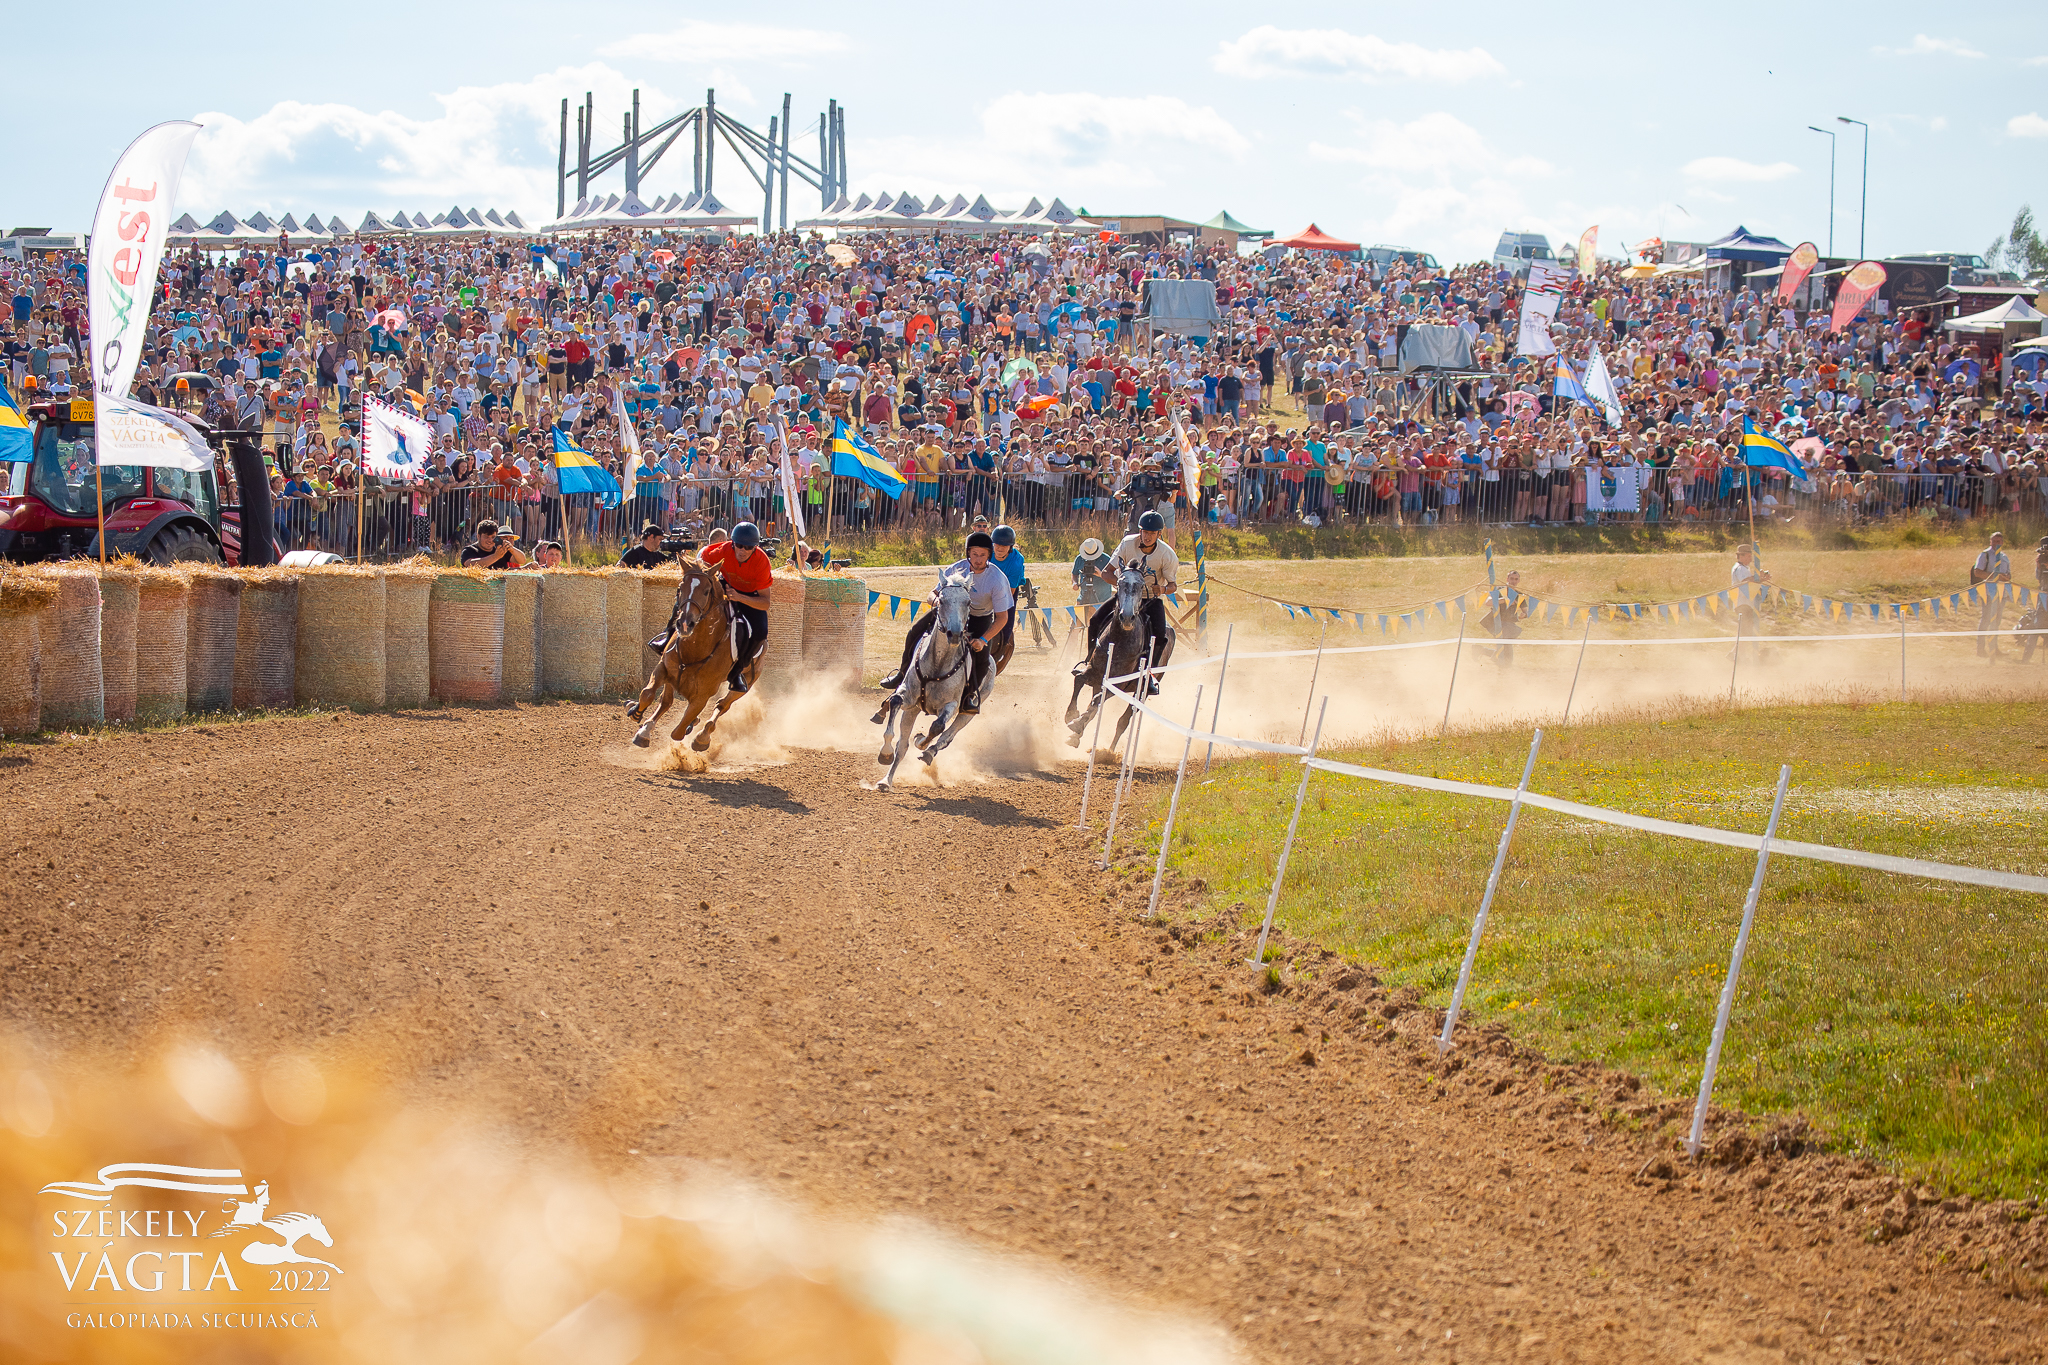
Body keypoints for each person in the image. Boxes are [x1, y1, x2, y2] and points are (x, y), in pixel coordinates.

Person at [876, 530, 1014, 715]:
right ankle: (901, 675)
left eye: (982, 555)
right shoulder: (956, 568)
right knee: (913, 632)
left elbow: (1003, 618)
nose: (978, 559)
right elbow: (931, 594)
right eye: (974, 554)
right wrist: (937, 601)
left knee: (982, 659)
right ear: (968, 553)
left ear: (989, 555)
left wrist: (983, 639)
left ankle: (969, 697)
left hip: (979, 617)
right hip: (949, 610)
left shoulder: (997, 579)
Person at [1084, 510, 1178, 693]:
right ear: (1140, 531)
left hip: (1149, 600)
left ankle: (1149, 676)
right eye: (1145, 532)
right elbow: (1106, 572)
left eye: (1152, 533)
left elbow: (1173, 585)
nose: (1148, 536)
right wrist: (1123, 585)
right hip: (1125, 596)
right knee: (1095, 620)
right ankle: (1089, 662)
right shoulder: (1127, 544)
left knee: (1161, 635)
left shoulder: (1168, 555)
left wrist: (1164, 589)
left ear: (1159, 534)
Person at [699, 521, 774, 695]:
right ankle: (668, 635)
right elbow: (702, 555)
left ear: (755, 547)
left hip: (750, 596)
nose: (742, 550)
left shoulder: (762, 562)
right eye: (738, 545)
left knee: (761, 632)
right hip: (726, 586)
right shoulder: (723, 550)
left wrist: (739, 597)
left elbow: (765, 602)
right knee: (690, 598)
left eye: (747, 547)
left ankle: (737, 671)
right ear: (732, 543)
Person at [987, 523, 1031, 645]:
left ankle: (1002, 645)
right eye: (997, 545)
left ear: (1010, 547)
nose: (1000, 548)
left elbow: (1009, 594)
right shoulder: (987, 553)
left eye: (1004, 546)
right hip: (987, 585)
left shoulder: (1016, 562)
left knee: (1006, 620)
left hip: (1008, 589)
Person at [1972, 531, 2012, 658]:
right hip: (1989, 593)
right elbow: (1977, 572)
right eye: (1994, 541)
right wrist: (1996, 576)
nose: (1996, 543)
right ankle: (1980, 650)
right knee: (1986, 620)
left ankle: (1994, 649)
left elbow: (2009, 575)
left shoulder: (2005, 557)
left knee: (1997, 621)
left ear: (2002, 542)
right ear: (1990, 542)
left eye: (1998, 541)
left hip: (2002, 594)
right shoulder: (1985, 555)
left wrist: (2006, 577)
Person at [1484, 569, 1532, 665]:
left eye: (1516, 579)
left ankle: (1482, 651)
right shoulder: (1499, 590)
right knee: (1506, 647)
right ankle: (1505, 665)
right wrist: (1505, 600)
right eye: (1511, 578)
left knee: (1505, 647)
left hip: (1508, 625)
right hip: (1496, 622)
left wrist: (1525, 614)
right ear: (1507, 579)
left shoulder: (1519, 595)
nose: (1513, 581)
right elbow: (1488, 602)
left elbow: (1526, 611)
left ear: (1519, 580)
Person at [460, 519, 527, 569]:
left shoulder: (500, 549)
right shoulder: (469, 550)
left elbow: (522, 560)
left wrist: (512, 549)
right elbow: (470, 565)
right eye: (486, 537)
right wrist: (496, 556)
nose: (490, 540)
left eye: (493, 537)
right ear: (478, 536)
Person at [1072, 536, 1113, 608]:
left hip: (1103, 598)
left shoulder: (1106, 559)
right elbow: (1074, 574)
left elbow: (1114, 577)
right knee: (1078, 616)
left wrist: (1101, 574)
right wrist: (1074, 583)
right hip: (1084, 594)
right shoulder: (1079, 559)